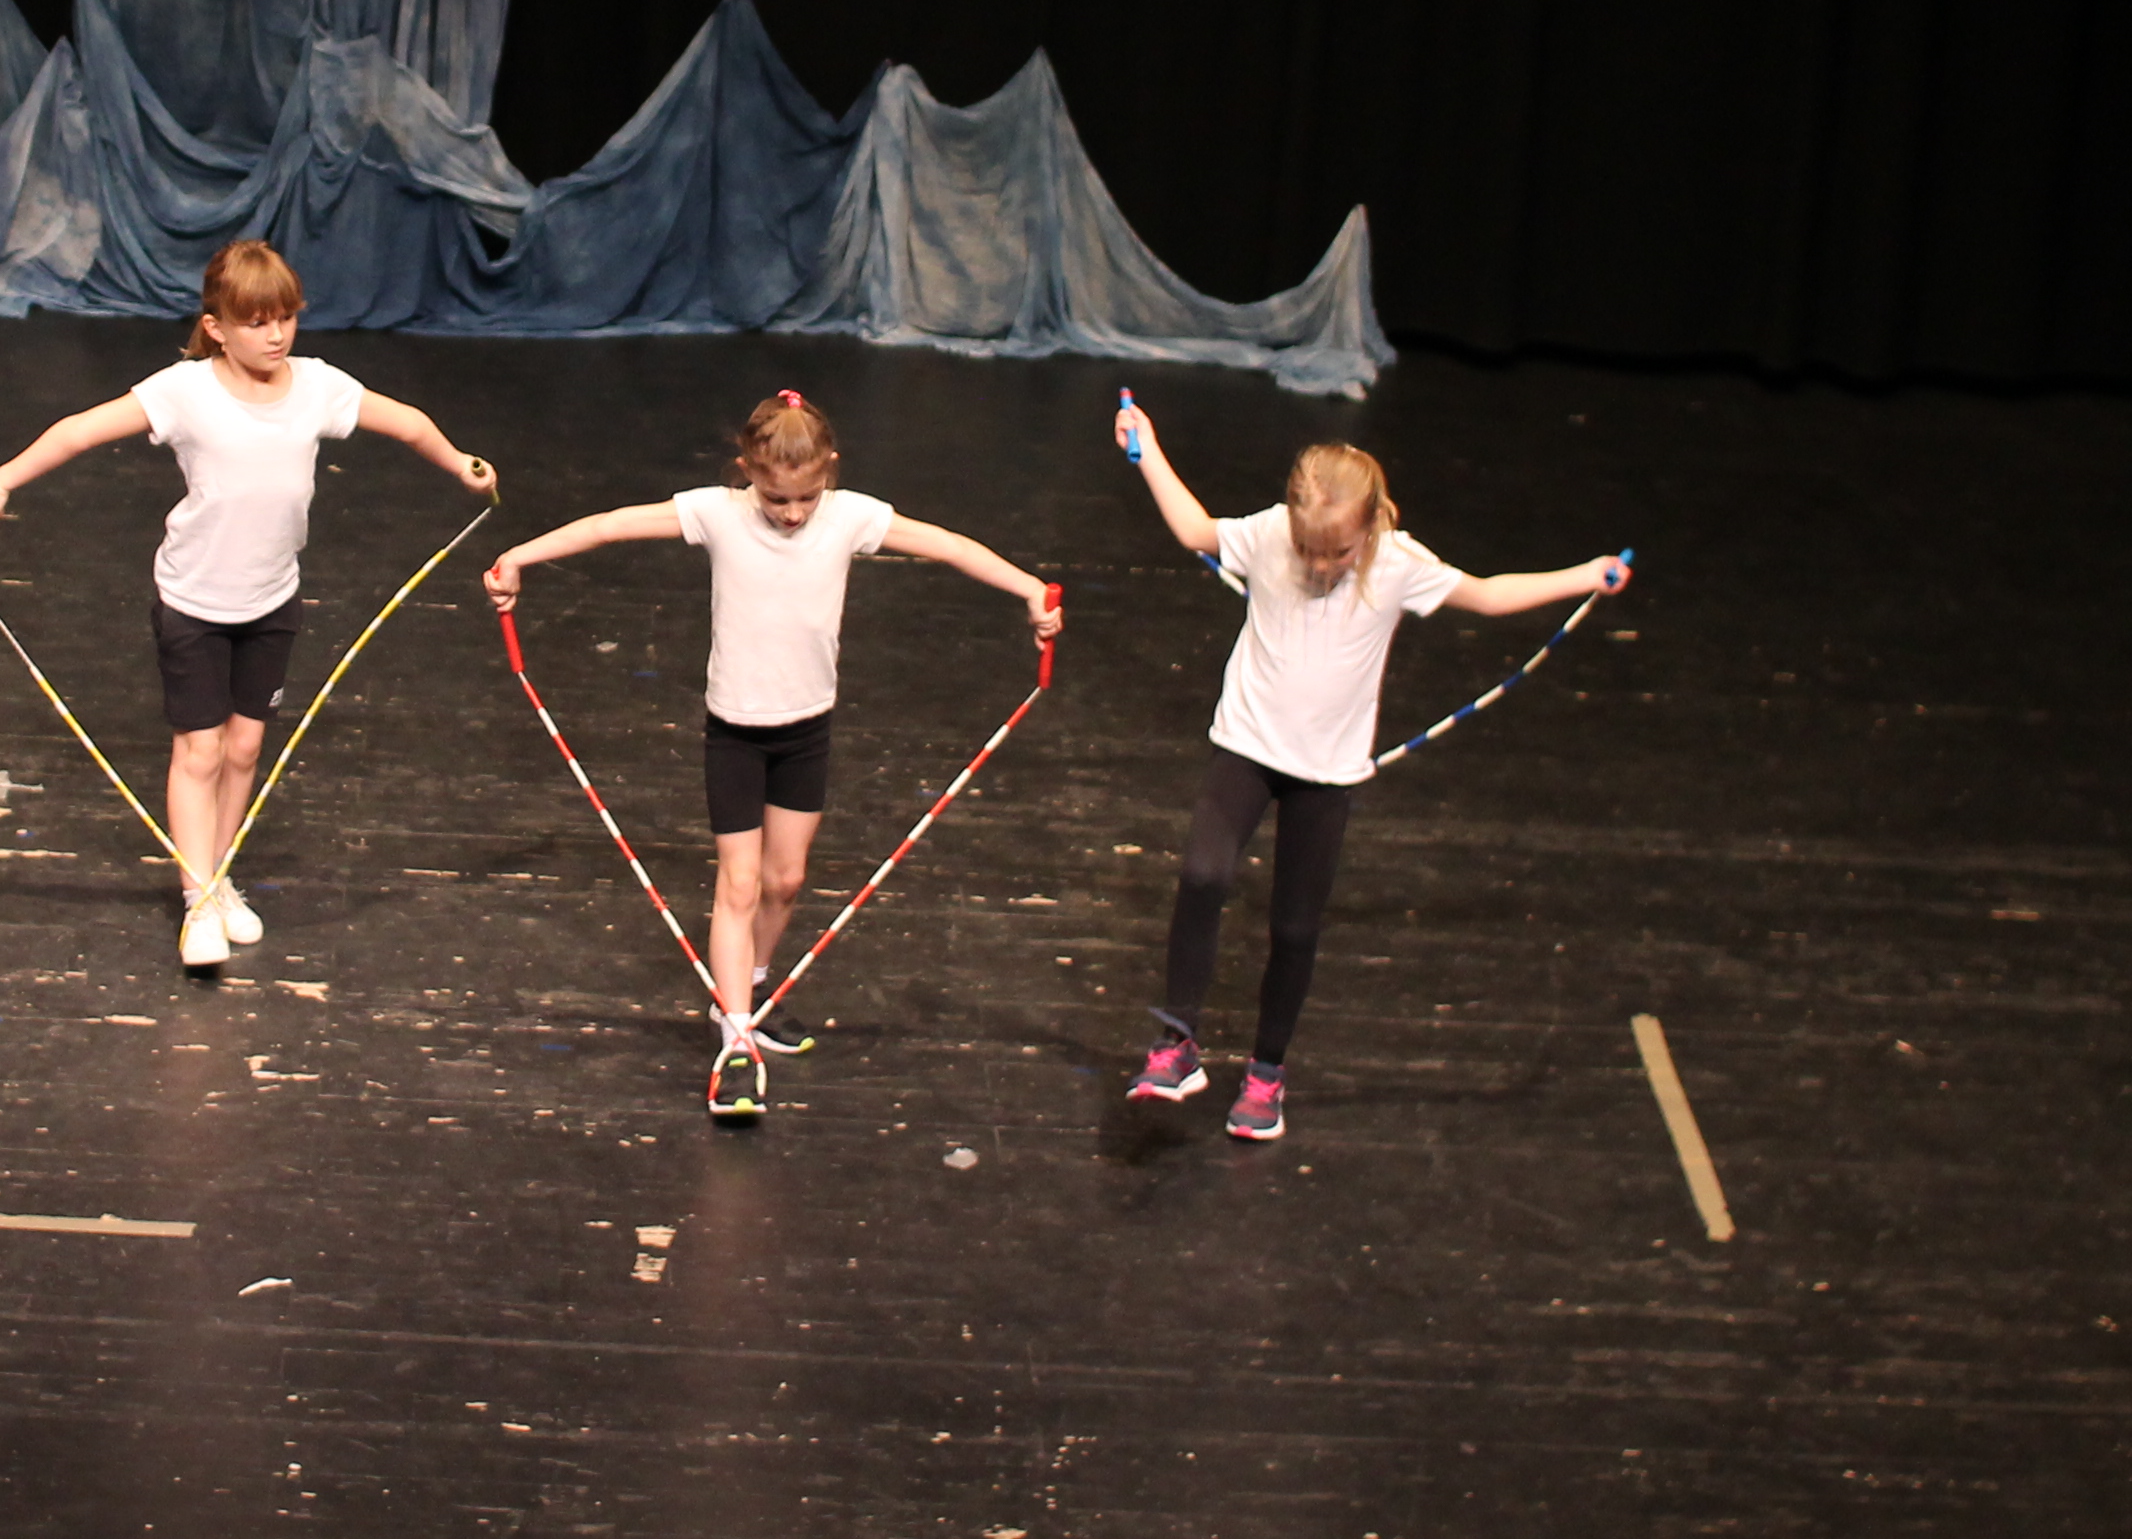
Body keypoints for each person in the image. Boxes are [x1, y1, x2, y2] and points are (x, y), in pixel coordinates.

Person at [482, 390, 1059, 1069]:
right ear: (746, 472)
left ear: (830, 471)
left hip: (807, 731)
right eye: (775, 498)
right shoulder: (718, 513)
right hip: (735, 732)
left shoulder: (849, 517)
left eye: (806, 498)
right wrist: (518, 558)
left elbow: (949, 545)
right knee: (740, 883)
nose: (791, 513)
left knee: (785, 881)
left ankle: (751, 989)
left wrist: (1030, 590)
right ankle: (733, 1032)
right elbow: (611, 526)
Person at [0, 240, 495, 970]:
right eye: (257, 322)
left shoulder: (317, 386)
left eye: (286, 319)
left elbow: (405, 422)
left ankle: (219, 876)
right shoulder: (185, 392)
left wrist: (459, 462)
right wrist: (3, 480)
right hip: (194, 602)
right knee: (201, 750)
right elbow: (79, 431)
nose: (276, 336)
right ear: (216, 327)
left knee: (244, 749)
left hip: (272, 600)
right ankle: (198, 898)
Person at [1113, 398, 1627, 1138]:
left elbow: (1486, 595)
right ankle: (1178, 1044)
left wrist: (1583, 575)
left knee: (1295, 928)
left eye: (1338, 554)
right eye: (1310, 551)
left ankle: (1266, 1075)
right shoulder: (1269, 534)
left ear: (1369, 531)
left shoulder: (1397, 563)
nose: (1321, 566)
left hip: (1326, 772)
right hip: (1248, 746)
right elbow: (1196, 530)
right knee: (1201, 875)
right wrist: (1149, 448)